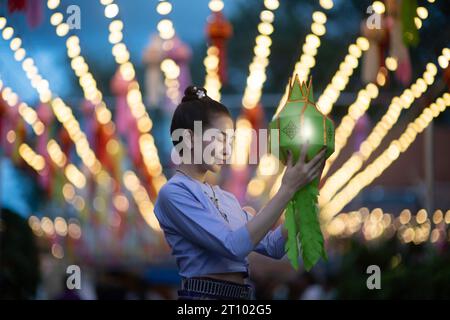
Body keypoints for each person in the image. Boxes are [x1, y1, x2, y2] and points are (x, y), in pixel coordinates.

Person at [154, 86, 326, 300]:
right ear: (189, 138)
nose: (228, 148)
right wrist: (287, 188)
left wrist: (301, 196)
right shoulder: (173, 193)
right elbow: (234, 246)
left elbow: (273, 246)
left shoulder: (226, 198)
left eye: (231, 140)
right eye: (220, 138)